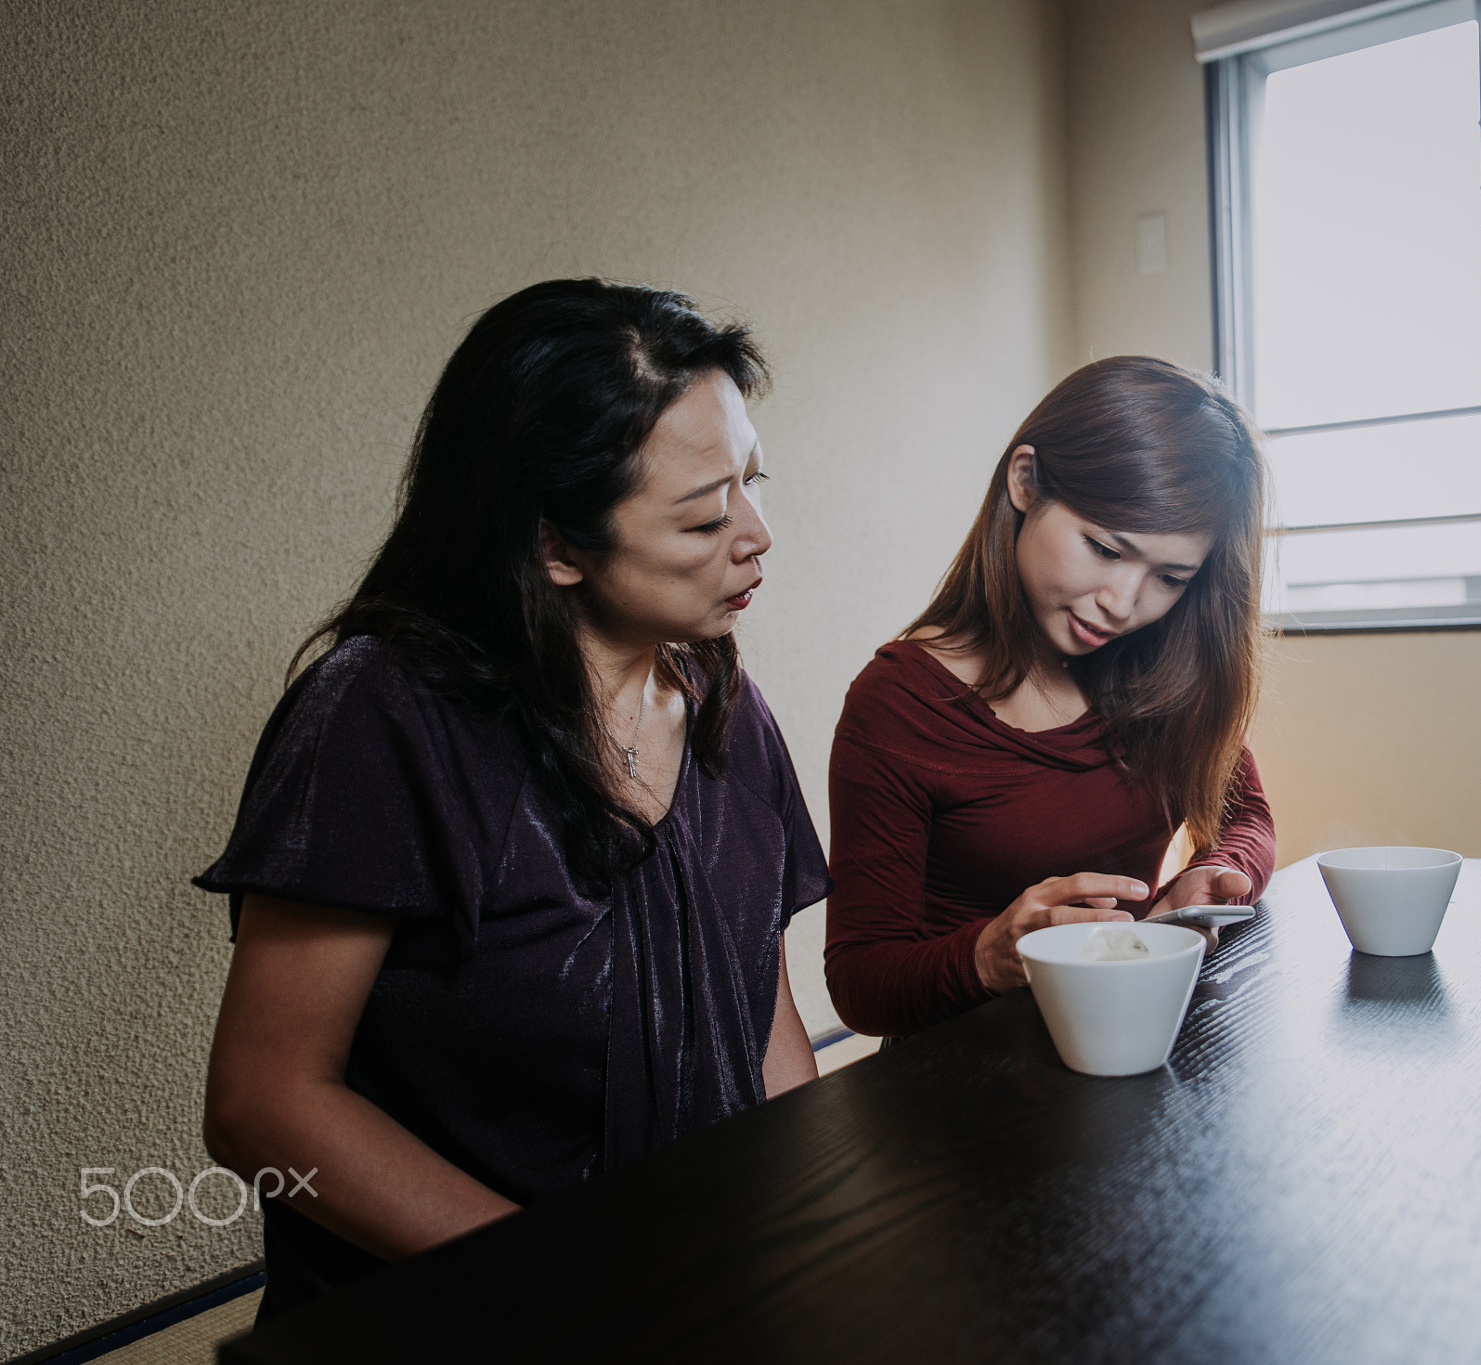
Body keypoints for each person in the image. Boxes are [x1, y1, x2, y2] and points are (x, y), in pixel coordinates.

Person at [197, 279, 828, 1320]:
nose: (756, 533)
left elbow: (758, 1021)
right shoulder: (381, 713)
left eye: (754, 481)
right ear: (554, 545)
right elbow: (265, 1106)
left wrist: (818, 1230)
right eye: (706, 511)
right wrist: (563, 1278)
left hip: (707, 1292)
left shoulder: (718, 696)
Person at [823, 356, 1276, 1038]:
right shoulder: (900, 703)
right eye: (1103, 547)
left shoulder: (1160, 664)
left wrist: (1211, 874)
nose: (1122, 603)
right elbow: (860, 985)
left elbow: (1248, 817)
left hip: (1126, 1041)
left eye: (1171, 577)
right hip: (957, 1091)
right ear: (1026, 481)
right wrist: (989, 956)